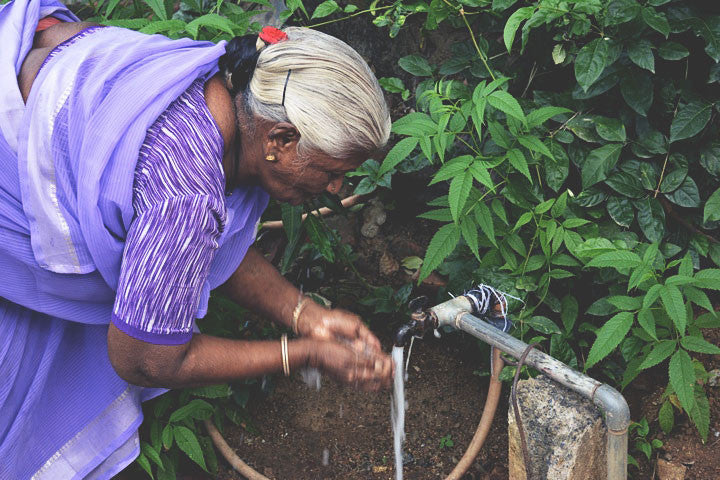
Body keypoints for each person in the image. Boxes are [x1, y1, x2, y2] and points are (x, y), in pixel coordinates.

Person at [0, 0, 394, 477]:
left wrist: (307, 316)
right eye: (333, 172)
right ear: (280, 141)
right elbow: (144, 358)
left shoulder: (219, 83)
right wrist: (303, 353)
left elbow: (197, 253)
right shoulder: (185, 192)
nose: (336, 189)